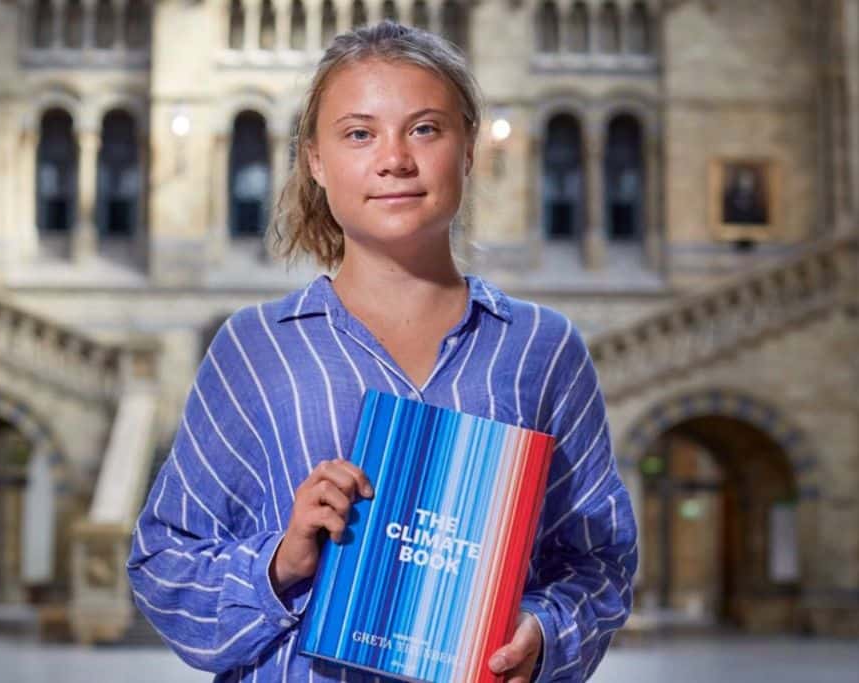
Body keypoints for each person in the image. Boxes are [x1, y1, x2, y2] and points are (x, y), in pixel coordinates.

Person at [127, 21, 637, 682]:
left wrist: (544, 633)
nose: (395, 159)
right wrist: (279, 562)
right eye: (359, 133)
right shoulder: (255, 350)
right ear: (315, 159)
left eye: (425, 129)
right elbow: (163, 560)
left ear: (469, 148)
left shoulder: (545, 350)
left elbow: (601, 560)